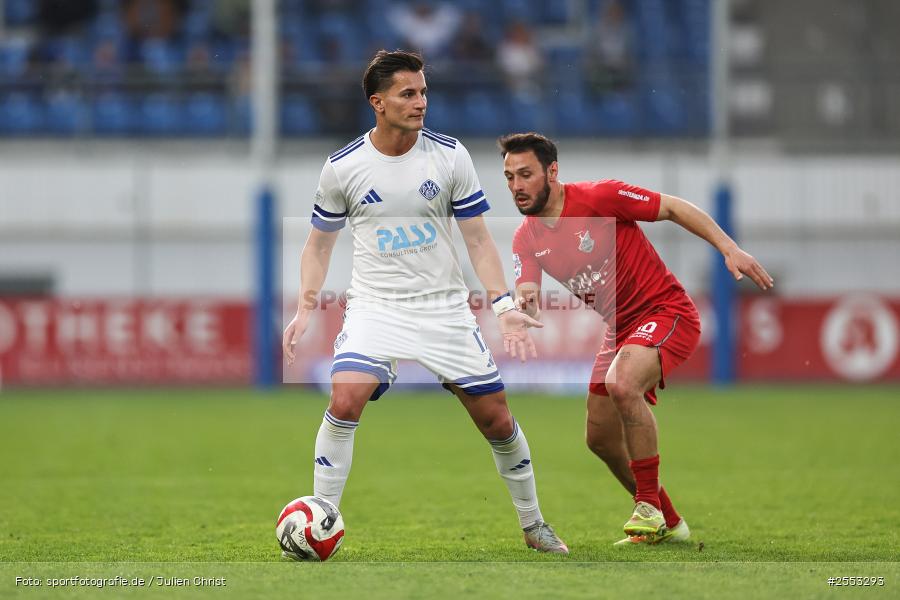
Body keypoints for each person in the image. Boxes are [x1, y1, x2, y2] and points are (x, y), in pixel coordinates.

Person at [282, 51, 568, 555]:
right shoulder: (343, 167)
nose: (420, 103)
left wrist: (503, 306)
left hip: (443, 309)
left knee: (496, 419)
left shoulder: (450, 156)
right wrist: (306, 307)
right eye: (408, 94)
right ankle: (321, 519)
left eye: (423, 93)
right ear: (378, 102)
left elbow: (478, 241)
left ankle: (534, 524)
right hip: (376, 306)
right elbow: (318, 245)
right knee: (344, 400)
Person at [498, 132, 774, 545]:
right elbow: (529, 292)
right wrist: (524, 309)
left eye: (525, 174)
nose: (516, 186)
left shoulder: (600, 197)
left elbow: (673, 208)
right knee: (599, 439)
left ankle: (647, 505)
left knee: (622, 383)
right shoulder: (527, 237)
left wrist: (728, 248)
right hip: (619, 330)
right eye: (509, 177)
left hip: (666, 312)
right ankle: (670, 524)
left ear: (552, 172)